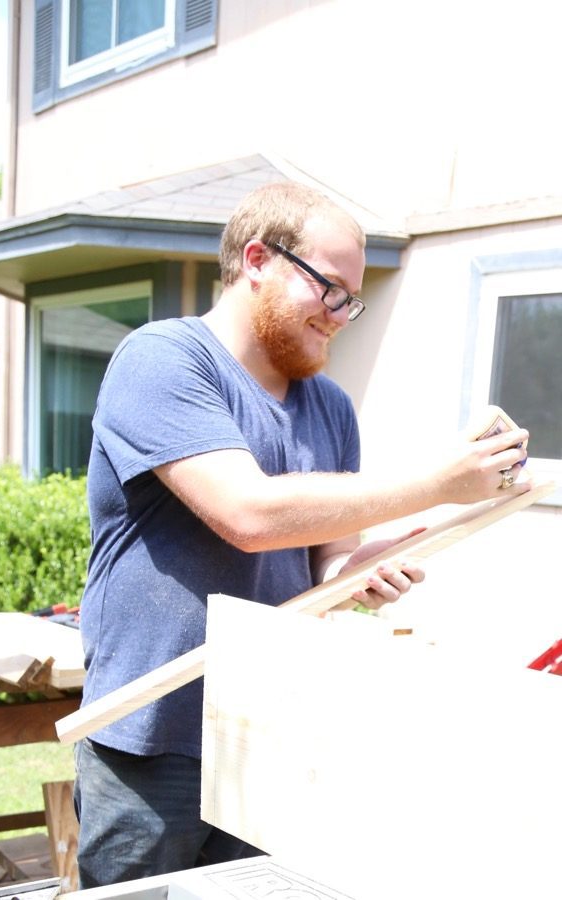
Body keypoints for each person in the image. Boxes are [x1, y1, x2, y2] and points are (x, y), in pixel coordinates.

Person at [73, 181, 529, 888]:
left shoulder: (330, 408)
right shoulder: (163, 360)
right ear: (258, 259)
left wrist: (363, 572)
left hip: (268, 736)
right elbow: (249, 515)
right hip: (151, 741)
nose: (342, 314)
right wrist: (440, 480)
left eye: (354, 298)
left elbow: (326, 562)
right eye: (329, 287)